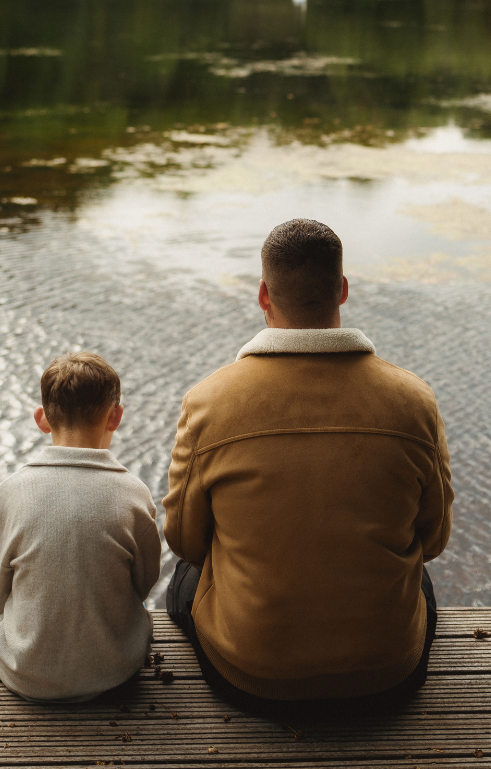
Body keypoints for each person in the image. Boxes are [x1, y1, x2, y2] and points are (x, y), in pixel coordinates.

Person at [163, 218, 453, 716]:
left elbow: (187, 543)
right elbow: (433, 541)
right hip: (388, 676)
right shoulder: (414, 401)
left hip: (251, 677)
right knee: (421, 584)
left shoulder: (208, 403)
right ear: (342, 290)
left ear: (262, 295)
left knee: (182, 583)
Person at [0, 350, 161, 701]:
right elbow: (144, 585)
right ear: (115, 417)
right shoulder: (135, 495)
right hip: (116, 672)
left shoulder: (11, 492)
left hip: (26, 677)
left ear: (42, 419)